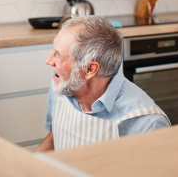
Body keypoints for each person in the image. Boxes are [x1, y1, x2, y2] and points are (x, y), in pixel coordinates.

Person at [35, 16, 170, 152]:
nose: (48, 60)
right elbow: (56, 136)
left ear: (90, 69)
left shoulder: (148, 123)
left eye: (57, 55)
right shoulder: (62, 84)